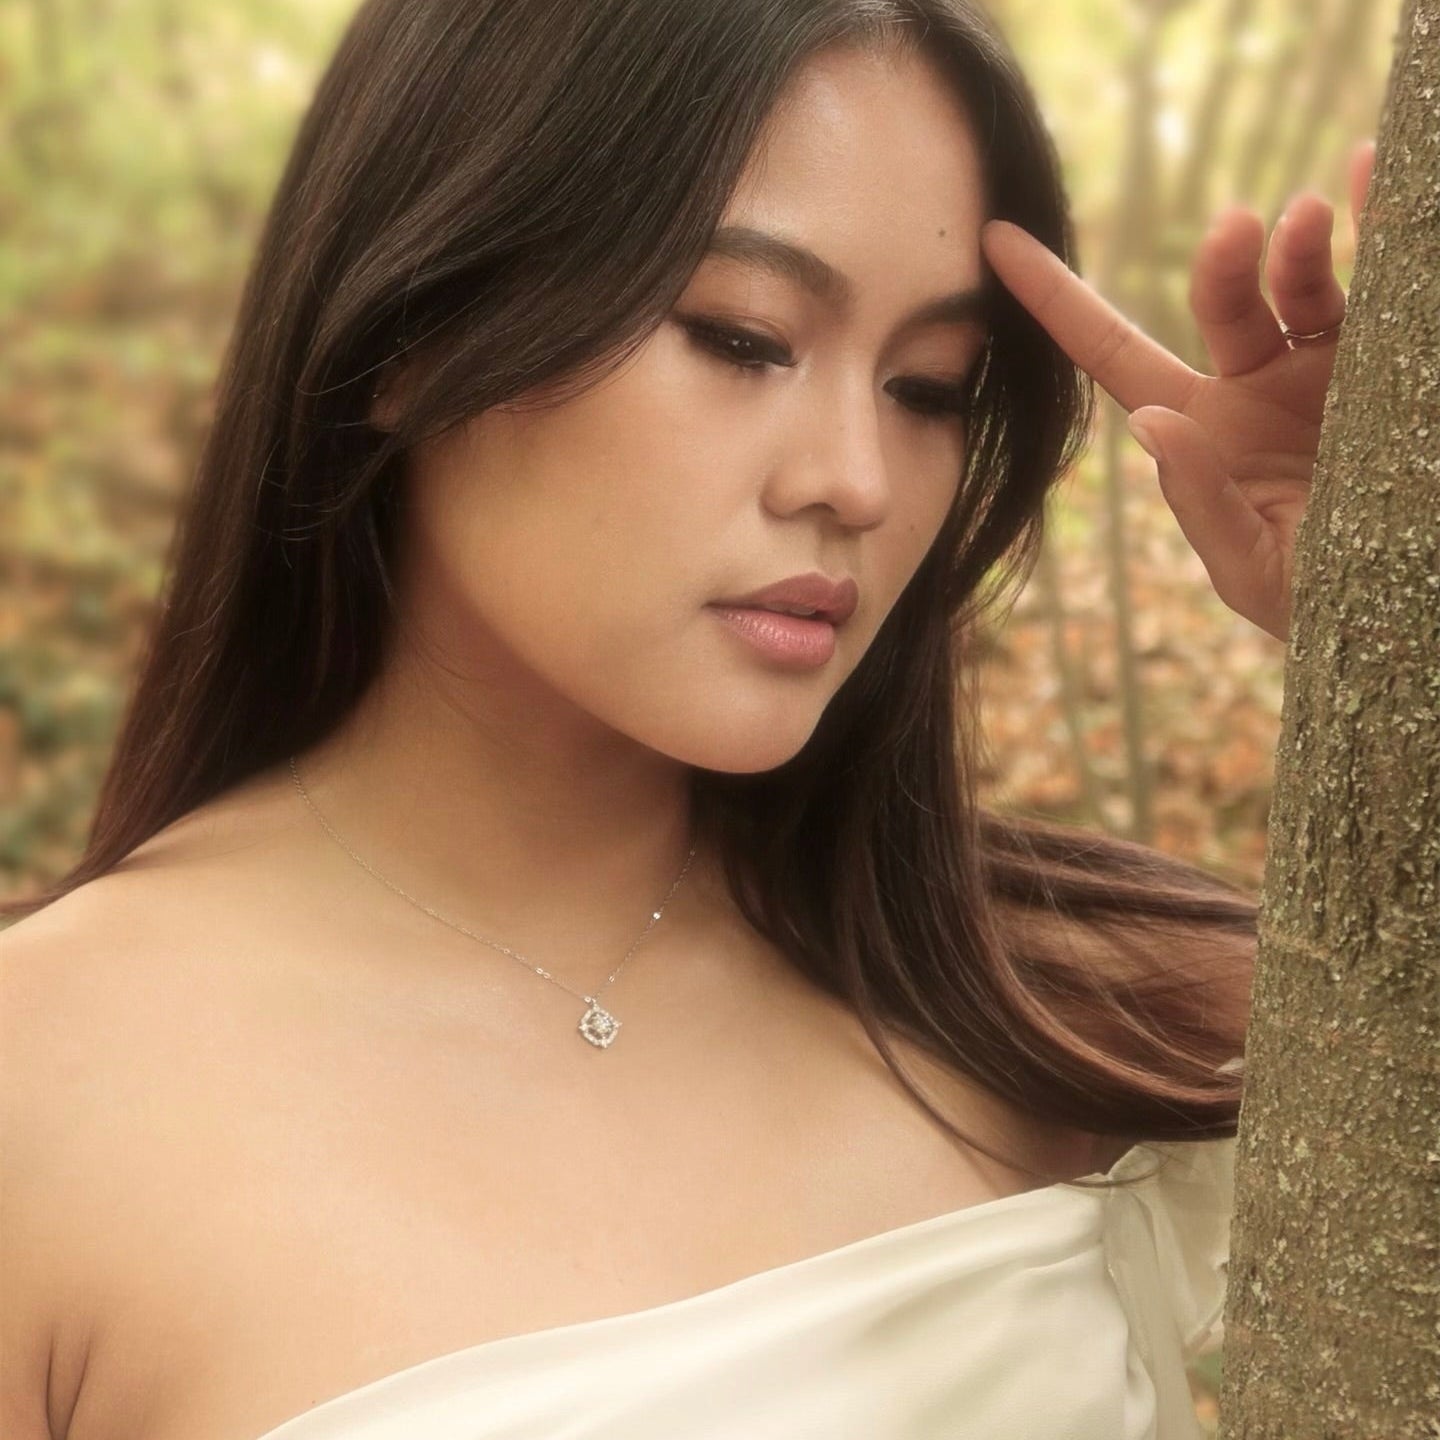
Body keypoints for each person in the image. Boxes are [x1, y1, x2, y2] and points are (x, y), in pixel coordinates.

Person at [0, 1, 1375, 1437]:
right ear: (409, 333)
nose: (856, 480)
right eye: (742, 337)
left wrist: (1381, 600)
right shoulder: (46, 1092)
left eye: (928, 389)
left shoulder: (1082, 1006)